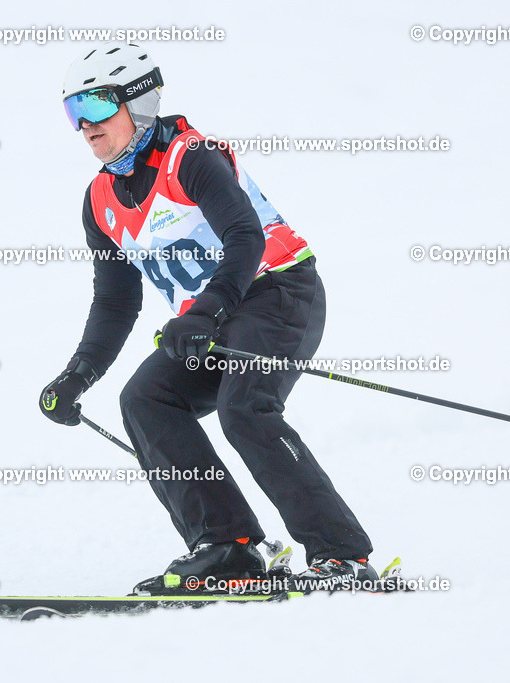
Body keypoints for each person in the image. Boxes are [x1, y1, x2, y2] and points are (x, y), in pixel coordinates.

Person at [40, 42, 375, 592]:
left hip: (277, 291)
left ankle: (343, 556)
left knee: (243, 408)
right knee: (146, 400)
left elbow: (244, 236)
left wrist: (206, 311)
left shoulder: (190, 158)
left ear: (138, 103)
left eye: (97, 108)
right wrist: (79, 374)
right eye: (74, 114)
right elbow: (115, 301)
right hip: (210, 320)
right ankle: (228, 547)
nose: (86, 128)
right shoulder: (99, 199)